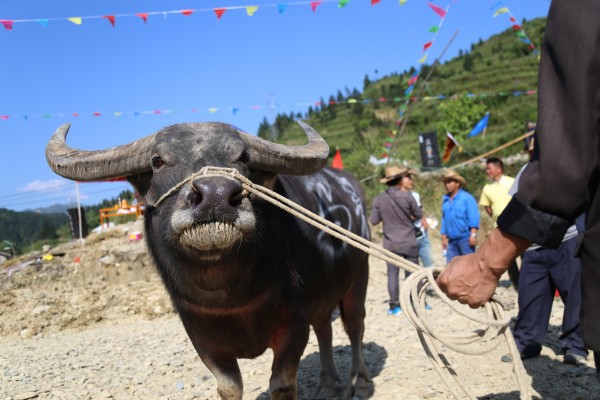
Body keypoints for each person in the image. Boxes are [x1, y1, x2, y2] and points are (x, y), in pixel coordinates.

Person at [436, 0, 600, 377]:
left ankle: (572, 345)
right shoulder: (498, 187)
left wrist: (486, 261)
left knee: (573, 299)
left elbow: (563, 167)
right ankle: (530, 341)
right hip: (535, 247)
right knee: (533, 299)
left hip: (561, 241)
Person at [502, 166, 588, 363]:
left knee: (574, 295)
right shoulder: (526, 170)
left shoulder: (570, 163)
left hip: (568, 239)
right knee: (529, 296)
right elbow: (516, 204)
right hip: (532, 245)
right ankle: (526, 344)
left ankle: (575, 346)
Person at [370, 166, 422, 315]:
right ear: (400, 181)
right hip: (409, 241)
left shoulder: (379, 199)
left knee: (392, 275)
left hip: (390, 244)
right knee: (412, 274)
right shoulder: (408, 196)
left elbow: (373, 221)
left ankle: (394, 306)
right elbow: (418, 214)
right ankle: (413, 302)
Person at [479, 157, 520, 289]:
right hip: (501, 227)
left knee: (525, 253)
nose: (487, 171)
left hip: (519, 223)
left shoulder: (512, 182)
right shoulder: (487, 188)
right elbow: (487, 207)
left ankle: (528, 280)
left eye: (489, 168)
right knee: (508, 257)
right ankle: (516, 283)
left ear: (499, 168)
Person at [440, 170, 480, 264]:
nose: (447, 185)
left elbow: (473, 217)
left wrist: (473, 235)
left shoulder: (467, 198)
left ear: (457, 183)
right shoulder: (445, 200)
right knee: (451, 267)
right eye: (446, 182)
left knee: (468, 265)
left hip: (465, 239)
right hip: (451, 241)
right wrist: (443, 237)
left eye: (450, 182)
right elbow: (444, 220)